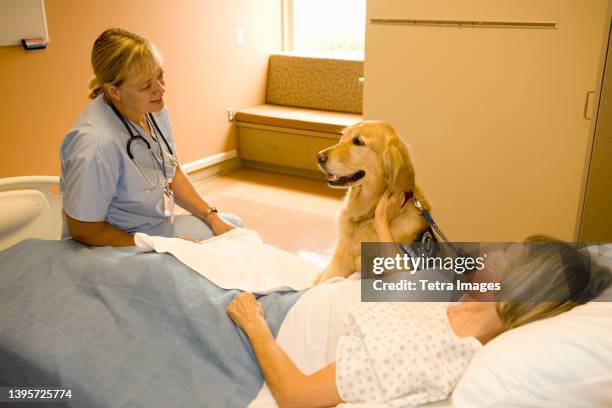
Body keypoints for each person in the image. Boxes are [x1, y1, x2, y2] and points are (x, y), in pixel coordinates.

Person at [226, 190, 594, 407]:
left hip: (281, 326)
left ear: (512, 282)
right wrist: (383, 223)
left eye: (504, 253)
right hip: (309, 302)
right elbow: (400, 285)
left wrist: (253, 322)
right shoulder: (463, 313)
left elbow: (296, 394)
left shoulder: (426, 350)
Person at [60, 28, 242, 247]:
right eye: (146, 85)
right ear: (114, 91)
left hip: (150, 227)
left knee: (233, 230)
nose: (160, 89)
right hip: (108, 246)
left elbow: (171, 171)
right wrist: (159, 246)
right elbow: (85, 231)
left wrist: (212, 217)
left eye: (160, 76)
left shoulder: (150, 109)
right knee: (196, 266)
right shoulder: (95, 146)